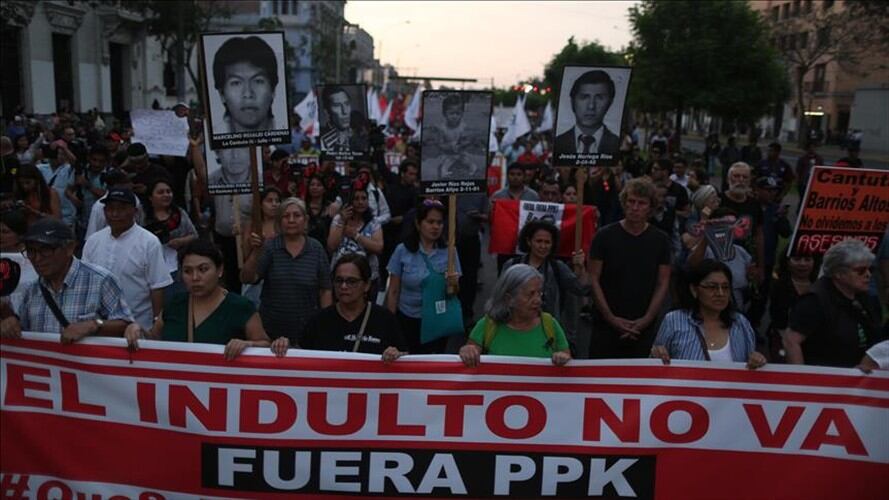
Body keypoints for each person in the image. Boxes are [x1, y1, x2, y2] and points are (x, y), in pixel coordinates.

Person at [124, 239, 287, 360]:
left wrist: (247, 345)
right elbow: (154, 340)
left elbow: (265, 344)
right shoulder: (175, 304)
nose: (195, 277)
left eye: (203, 269)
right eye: (188, 271)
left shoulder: (240, 307)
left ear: (220, 270)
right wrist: (137, 330)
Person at [1, 218, 133, 341]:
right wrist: (10, 320)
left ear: (69, 248)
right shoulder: (32, 290)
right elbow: (23, 331)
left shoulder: (100, 281)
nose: (37, 259)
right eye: (31, 251)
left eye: (45, 250)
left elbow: (126, 325)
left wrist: (93, 325)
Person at [589, 178, 672, 359]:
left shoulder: (661, 240)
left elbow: (663, 283)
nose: (635, 207)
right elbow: (593, 278)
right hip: (605, 325)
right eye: (631, 201)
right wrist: (611, 318)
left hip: (644, 326)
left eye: (641, 203)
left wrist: (646, 320)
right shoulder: (604, 236)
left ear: (650, 207)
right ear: (624, 203)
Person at [241, 197, 332, 344]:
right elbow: (247, 278)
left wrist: (325, 322)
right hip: (271, 331)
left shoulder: (316, 249)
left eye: (297, 215)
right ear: (279, 221)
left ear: (305, 220)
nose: (291, 220)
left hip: (308, 330)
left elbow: (325, 289)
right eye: (286, 216)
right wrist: (255, 252)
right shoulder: (270, 247)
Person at [82, 188, 173, 331]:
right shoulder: (93, 241)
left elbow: (157, 286)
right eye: (110, 209)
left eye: (121, 209)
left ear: (135, 212)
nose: (115, 214)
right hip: (99, 327)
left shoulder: (149, 242)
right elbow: (85, 282)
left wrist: (156, 323)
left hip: (139, 326)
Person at [783, 240, 884, 367]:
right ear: (839, 273)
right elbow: (791, 341)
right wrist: (801, 376)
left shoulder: (866, 297)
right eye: (860, 271)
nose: (868, 275)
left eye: (870, 269)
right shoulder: (815, 301)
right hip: (825, 373)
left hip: (860, 373)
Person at [651, 259, 766, 367]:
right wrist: (657, 354)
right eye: (712, 287)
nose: (720, 293)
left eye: (725, 287)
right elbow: (654, 365)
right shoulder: (674, 321)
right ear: (694, 290)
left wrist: (757, 360)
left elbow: (751, 363)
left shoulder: (740, 323)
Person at [459, 264, 571, 367]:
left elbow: (567, 361)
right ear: (509, 299)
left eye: (539, 293)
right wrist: (467, 351)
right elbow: (469, 359)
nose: (538, 300)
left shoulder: (550, 324)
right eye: (530, 294)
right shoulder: (488, 325)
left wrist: (562, 357)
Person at [386, 200, 461, 354]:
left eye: (439, 223)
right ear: (418, 223)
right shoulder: (402, 250)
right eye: (430, 222)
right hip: (407, 320)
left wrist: (453, 284)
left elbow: (454, 293)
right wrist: (390, 324)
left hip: (437, 320)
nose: (436, 227)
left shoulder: (450, 252)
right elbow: (393, 291)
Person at [504, 220, 590, 351]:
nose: (543, 246)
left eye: (547, 242)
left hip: (547, 335)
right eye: (539, 241)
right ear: (529, 241)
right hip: (514, 331)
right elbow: (500, 298)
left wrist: (581, 267)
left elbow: (581, 289)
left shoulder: (558, 268)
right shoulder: (512, 265)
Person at [302, 253, 407, 359]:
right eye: (339, 281)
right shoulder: (319, 321)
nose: (343, 286)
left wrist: (396, 354)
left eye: (351, 281)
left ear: (367, 285)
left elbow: (404, 356)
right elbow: (301, 355)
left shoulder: (385, 319)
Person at [212, 36, 280, 133]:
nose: (248, 94)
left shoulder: (287, 137)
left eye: (258, 81)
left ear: (273, 90)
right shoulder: (211, 138)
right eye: (236, 83)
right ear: (222, 94)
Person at [327, 183, 384, 290]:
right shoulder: (339, 219)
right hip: (341, 276)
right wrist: (342, 221)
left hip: (367, 277)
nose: (360, 202)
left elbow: (378, 248)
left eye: (364, 198)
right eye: (356, 199)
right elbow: (331, 246)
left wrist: (355, 235)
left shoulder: (373, 222)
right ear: (350, 201)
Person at [767, 251, 819, 362]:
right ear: (787, 261)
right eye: (797, 259)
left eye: (807, 260)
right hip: (783, 339)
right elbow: (778, 318)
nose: (802, 264)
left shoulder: (820, 286)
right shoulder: (779, 286)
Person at [554, 70, 620, 156]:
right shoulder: (558, 143)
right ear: (572, 101)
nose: (591, 106)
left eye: (599, 98)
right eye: (584, 97)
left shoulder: (618, 144)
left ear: (610, 102)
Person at [719, 162, 765, 285]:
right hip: (718, 261)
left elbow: (759, 236)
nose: (740, 180)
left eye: (745, 177)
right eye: (736, 176)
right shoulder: (717, 200)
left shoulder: (755, 205)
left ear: (749, 181)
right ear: (728, 179)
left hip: (745, 264)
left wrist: (761, 266)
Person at [319, 86, 369, 154]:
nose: (345, 111)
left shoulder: (359, 138)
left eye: (347, 104)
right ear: (327, 112)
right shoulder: (323, 141)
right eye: (337, 105)